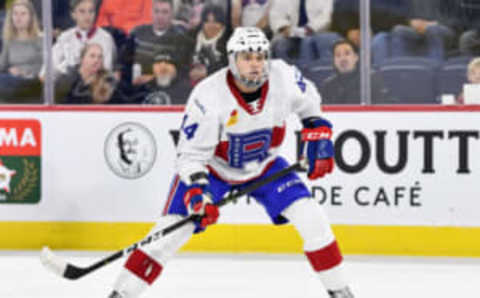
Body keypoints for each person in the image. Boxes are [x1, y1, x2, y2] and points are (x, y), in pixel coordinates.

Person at [107, 27, 354, 298]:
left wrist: (317, 130)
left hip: (265, 166)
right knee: (167, 236)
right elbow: (190, 156)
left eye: (260, 57)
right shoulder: (208, 96)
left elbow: (311, 103)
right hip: (213, 170)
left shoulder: (283, 76)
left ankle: (340, 292)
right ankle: (121, 294)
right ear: (232, 60)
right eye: (247, 57)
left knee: (313, 218)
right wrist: (198, 193)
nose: (255, 64)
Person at [43, 0, 116, 78]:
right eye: (82, 11)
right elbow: (47, 69)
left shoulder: (105, 38)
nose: (87, 16)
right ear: (73, 15)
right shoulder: (65, 37)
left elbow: (106, 71)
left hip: (95, 85)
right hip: (67, 85)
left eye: (91, 11)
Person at [130, 0, 194, 85]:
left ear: (172, 14)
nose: (160, 16)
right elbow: (125, 60)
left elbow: (182, 72)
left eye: (165, 12)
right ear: (151, 12)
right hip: (135, 83)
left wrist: (153, 78)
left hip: (167, 86)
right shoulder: (137, 32)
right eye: (156, 11)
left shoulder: (181, 39)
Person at [321, 39, 393, 104]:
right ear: (334, 60)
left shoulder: (370, 79)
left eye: (347, 53)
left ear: (356, 57)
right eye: (338, 55)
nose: (342, 58)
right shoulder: (328, 85)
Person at [0, 0, 43, 102]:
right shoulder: (9, 40)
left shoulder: (40, 39)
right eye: (15, 14)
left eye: (23, 14)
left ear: (30, 17)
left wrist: (24, 72)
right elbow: (2, 65)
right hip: (11, 82)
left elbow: (45, 67)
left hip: (33, 83)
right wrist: (10, 70)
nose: (18, 18)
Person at [55, 43, 125, 104]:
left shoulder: (109, 80)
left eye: (100, 57)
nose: (96, 60)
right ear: (82, 59)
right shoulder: (67, 79)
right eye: (92, 56)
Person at [189, 4, 229, 85]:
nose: (211, 25)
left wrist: (207, 72)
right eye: (207, 21)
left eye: (215, 21)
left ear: (222, 23)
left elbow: (229, 68)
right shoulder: (192, 37)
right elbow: (182, 62)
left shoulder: (228, 41)